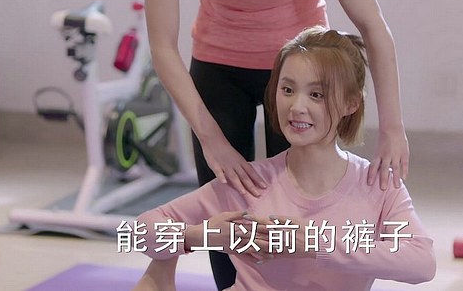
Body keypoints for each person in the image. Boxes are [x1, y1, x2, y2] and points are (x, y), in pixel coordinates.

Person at [142, 0, 410, 287]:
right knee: (228, 200)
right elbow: (163, 46)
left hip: (298, 68)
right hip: (218, 62)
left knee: (295, 201)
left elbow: (373, 26)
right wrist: (210, 139)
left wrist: (393, 127)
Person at [131, 27, 435, 291]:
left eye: (316, 95)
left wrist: (315, 244)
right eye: (287, 90)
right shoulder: (249, 182)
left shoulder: (377, 184)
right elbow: (137, 233)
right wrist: (202, 236)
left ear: (351, 103)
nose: (297, 106)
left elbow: (422, 263)